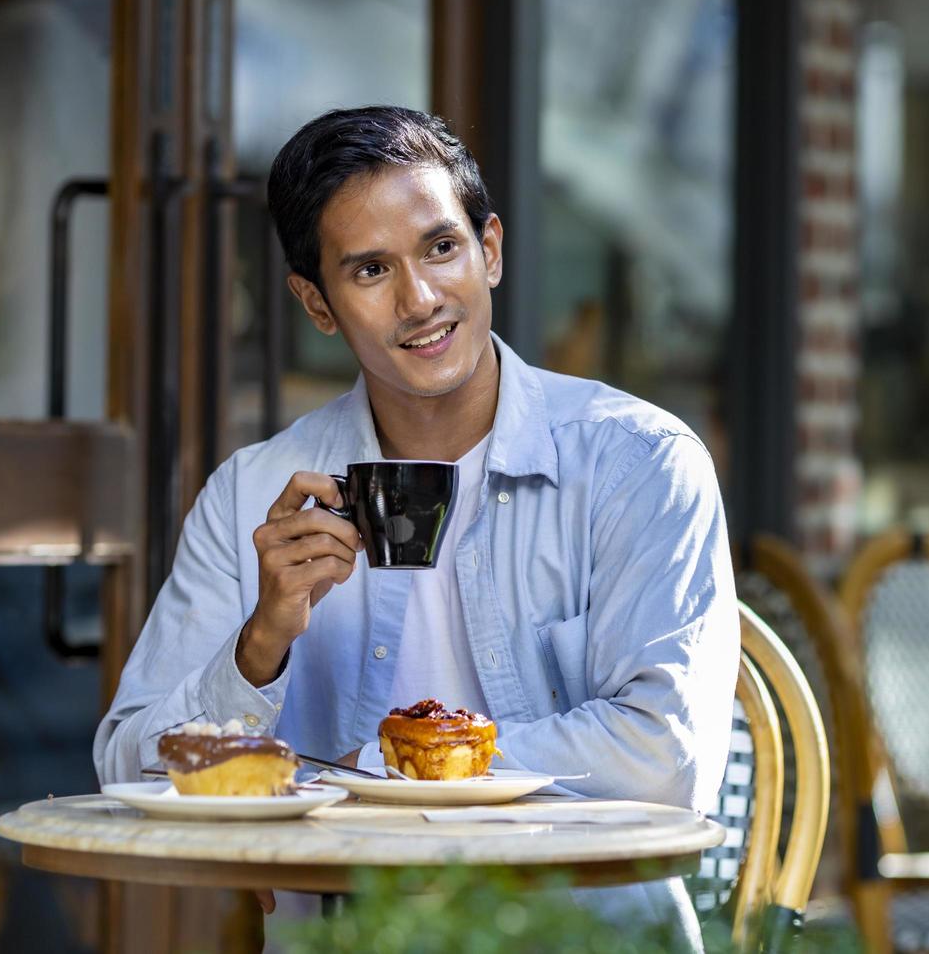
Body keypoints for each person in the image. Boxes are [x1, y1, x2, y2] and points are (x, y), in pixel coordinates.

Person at [94, 106, 738, 948]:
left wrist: (371, 776)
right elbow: (127, 767)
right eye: (369, 271)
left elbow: (668, 758)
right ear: (316, 304)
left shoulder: (636, 464)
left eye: (442, 247)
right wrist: (260, 645)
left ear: (491, 250)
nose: (421, 299)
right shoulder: (252, 494)